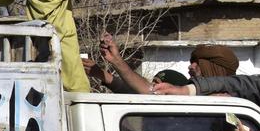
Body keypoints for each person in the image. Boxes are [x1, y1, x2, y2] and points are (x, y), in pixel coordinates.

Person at [87, 32, 240, 93]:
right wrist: (114, 63)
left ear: (213, 68)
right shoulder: (188, 92)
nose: (190, 66)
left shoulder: (236, 106)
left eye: (197, 63)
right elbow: (147, 91)